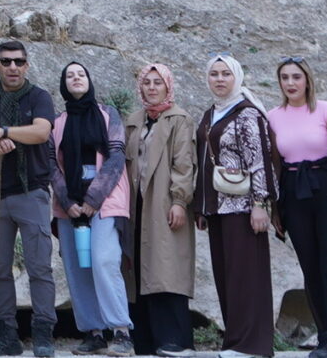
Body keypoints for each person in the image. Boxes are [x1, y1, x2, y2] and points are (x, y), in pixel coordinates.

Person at [0, 39, 57, 358]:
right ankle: (7, 337)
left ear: (27, 65)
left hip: (31, 191)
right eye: (6, 62)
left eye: (18, 61)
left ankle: (43, 335)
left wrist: (4, 132)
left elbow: (42, 132)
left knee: (39, 266)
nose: (13, 67)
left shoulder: (39, 96)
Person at [271, 60, 327, 358]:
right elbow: (274, 165)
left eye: (296, 77)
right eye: (285, 78)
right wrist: (274, 208)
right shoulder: (272, 117)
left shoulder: (324, 108)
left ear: (307, 80)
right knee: (310, 267)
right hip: (294, 191)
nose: (290, 83)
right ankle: (323, 338)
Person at [192, 57, 276, 358]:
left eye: (226, 73)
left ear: (237, 77)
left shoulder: (247, 113)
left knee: (246, 276)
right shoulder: (211, 113)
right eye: (213, 74)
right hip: (217, 207)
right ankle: (236, 340)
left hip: (243, 207)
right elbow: (203, 161)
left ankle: (252, 345)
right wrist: (200, 207)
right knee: (227, 276)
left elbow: (259, 160)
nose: (219, 79)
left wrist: (259, 204)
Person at [50, 63, 130, 355]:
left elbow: (117, 156)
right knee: (77, 266)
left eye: (81, 74)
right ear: (64, 84)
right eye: (70, 76)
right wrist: (68, 201)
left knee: (104, 260)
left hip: (104, 201)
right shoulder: (58, 121)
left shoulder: (109, 114)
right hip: (69, 204)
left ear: (89, 79)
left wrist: (92, 199)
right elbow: (50, 163)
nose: (76, 78)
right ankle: (93, 333)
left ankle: (121, 332)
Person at [122, 65, 196, 358]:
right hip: (136, 204)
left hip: (163, 202)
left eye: (158, 83)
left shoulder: (179, 119)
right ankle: (145, 341)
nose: (152, 88)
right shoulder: (135, 120)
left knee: (167, 268)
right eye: (147, 83)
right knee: (139, 269)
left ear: (168, 86)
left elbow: (184, 163)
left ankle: (175, 340)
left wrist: (179, 201)